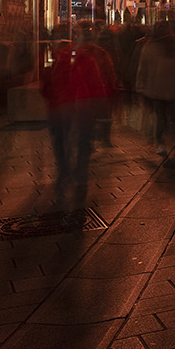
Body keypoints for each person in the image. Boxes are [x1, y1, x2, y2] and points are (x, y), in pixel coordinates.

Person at [41, 21, 117, 212]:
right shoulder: (92, 57)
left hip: (59, 108)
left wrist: (50, 97)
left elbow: (47, 81)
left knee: (61, 141)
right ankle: (80, 177)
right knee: (83, 143)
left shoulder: (59, 55)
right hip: (83, 109)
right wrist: (102, 110)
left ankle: (64, 171)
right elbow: (99, 85)